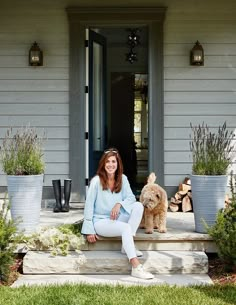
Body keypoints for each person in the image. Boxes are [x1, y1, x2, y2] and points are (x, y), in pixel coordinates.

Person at [81, 148, 154, 279]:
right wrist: (89, 230)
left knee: (138, 206)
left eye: (113, 161)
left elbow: (131, 198)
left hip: (117, 218)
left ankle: (126, 247)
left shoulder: (123, 179)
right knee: (125, 227)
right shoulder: (96, 181)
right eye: (107, 161)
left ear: (118, 163)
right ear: (103, 164)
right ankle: (136, 266)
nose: (110, 164)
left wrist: (119, 204)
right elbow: (89, 205)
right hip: (100, 221)